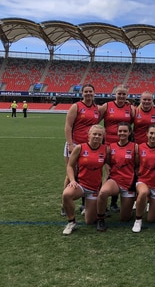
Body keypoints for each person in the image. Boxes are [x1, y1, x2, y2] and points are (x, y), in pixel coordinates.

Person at [62, 83, 100, 216]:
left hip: (88, 146)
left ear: (94, 93)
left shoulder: (96, 108)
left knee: (86, 174)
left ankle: (85, 204)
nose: (88, 94)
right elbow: (68, 126)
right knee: (71, 173)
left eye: (91, 91)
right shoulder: (76, 106)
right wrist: (70, 144)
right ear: (82, 93)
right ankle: (64, 204)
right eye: (86, 92)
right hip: (75, 144)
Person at [61, 124, 106, 235]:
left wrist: (104, 185)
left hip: (94, 189)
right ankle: (71, 222)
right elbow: (70, 166)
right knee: (67, 194)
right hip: (81, 185)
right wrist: (72, 180)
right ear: (89, 135)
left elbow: (109, 168)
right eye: (94, 134)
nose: (96, 136)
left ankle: (89, 207)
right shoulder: (80, 148)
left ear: (103, 137)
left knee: (89, 221)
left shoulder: (106, 150)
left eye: (99, 135)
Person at [95, 123, 138, 232]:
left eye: (125, 131)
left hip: (129, 182)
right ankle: (101, 218)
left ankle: (129, 207)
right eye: (120, 131)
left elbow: (137, 165)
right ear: (117, 132)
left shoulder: (135, 147)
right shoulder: (111, 147)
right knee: (103, 192)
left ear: (129, 133)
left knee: (124, 218)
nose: (122, 133)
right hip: (115, 180)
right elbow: (108, 163)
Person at [99, 84, 135, 213]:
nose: (121, 96)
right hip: (109, 145)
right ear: (115, 94)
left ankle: (114, 203)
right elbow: (95, 121)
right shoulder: (107, 106)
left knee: (121, 173)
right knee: (109, 173)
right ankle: (103, 203)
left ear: (127, 95)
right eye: (119, 93)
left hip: (125, 145)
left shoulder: (130, 108)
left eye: (123, 94)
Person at [132, 125, 155, 233]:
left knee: (151, 219)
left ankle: (153, 203)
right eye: (151, 133)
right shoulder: (139, 147)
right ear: (147, 134)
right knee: (143, 192)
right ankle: (138, 220)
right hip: (143, 181)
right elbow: (136, 164)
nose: (153, 136)